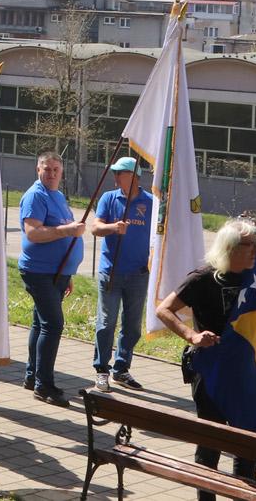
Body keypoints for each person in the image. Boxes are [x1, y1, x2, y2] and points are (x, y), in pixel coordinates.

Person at [156, 218, 256, 499]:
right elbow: (164, 310)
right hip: (210, 372)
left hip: (246, 372)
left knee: (247, 447)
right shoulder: (203, 278)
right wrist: (192, 336)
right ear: (232, 248)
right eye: (251, 246)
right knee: (210, 445)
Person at [18, 150, 84, 406]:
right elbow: (33, 234)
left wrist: (67, 273)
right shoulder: (35, 195)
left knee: (40, 323)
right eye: (47, 169)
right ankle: (44, 385)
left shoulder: (57, 195)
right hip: (39, 271)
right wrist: (67, 230)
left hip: (57, 273)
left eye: (56, 169)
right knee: (53, 325)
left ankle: (33, 375)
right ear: (38, 170)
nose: (52, 173)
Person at [90, 156, 153, 392]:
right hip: (112, 272)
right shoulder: (109, 198)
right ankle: (101, 370)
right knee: (106, 323)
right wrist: (113, 227)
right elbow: (96, 228)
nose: (115, 177)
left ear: (134, 176)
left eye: (120, 173)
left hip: (138, 274)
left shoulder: (150, 202)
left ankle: (121, 368)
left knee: (132, 325)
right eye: (114, 173)